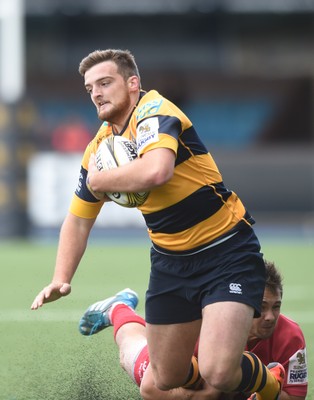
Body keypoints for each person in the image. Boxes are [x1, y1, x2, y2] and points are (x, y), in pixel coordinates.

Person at [31, 49, 284, 399]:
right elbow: (77, 220)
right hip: (171, 263)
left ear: (133, 83)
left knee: (219, 371)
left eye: (105, 82)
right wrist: (61, 278)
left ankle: (271, 384)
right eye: (90, 88)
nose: (96, 93)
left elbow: (157, 170)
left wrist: (104, 182)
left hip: (226, 251)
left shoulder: (155, 110)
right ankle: (121, 311)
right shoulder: (100, 148)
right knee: (166, 378)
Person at [78, 260, 307, 400]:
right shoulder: (204, 328)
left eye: (276, 307)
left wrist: (266, 391)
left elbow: (294, 398)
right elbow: (150, 390)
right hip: (187, 379)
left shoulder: (291, 336)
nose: (270, 317)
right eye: (262, 306)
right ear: (245, 304)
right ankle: (118, 309)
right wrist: (203, 397)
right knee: (135, 353)